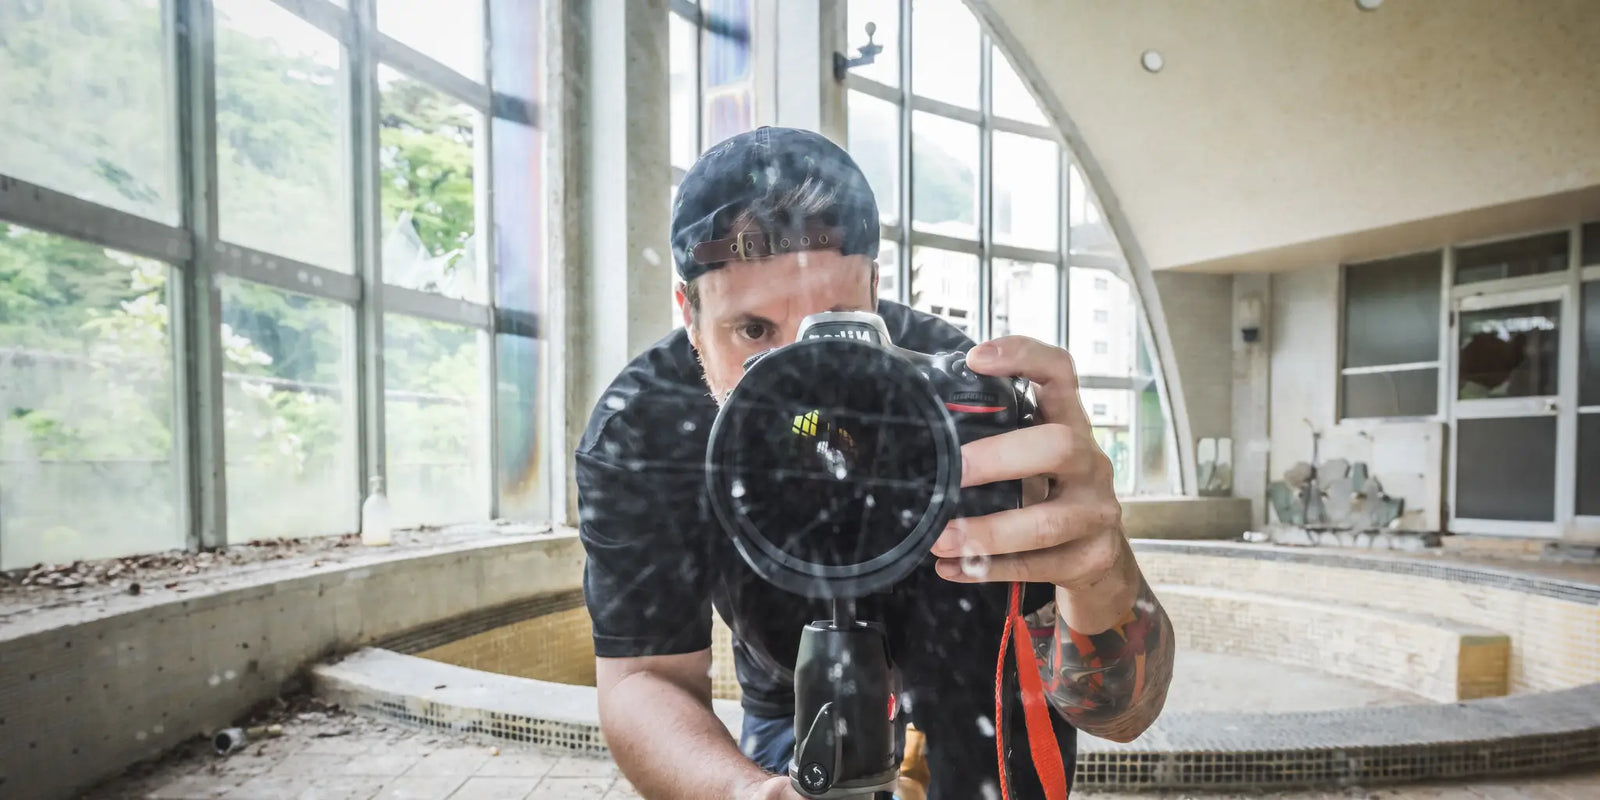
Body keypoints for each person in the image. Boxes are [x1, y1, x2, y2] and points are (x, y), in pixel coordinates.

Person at [576, 126, 1176, 800]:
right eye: (754, 332)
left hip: (968, 677)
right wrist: (750, 795)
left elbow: (1120, 714)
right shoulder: (646, 432)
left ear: (875, 290)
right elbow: (642, 678)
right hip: (789, 686)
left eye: (834, 319)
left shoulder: (965, 407)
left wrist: (1100, 575)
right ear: (689, 315)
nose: (806, 378)